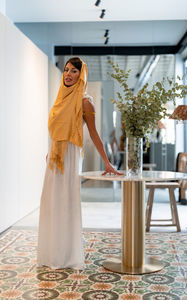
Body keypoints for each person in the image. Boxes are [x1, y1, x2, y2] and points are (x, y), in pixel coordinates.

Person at [37, 57, 121, 270]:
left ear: (81, 74)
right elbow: (57, 131)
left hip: (71, 156)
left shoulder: (85, 101)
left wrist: (107, 162)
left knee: (65, 203)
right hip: (55, 158)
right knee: (51, 204)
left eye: (74, 71)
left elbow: (94, 134)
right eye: (66, 70)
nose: (68, 74)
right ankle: (51, 253)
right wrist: (50, 152)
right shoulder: (60, 98)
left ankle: (67, 255)